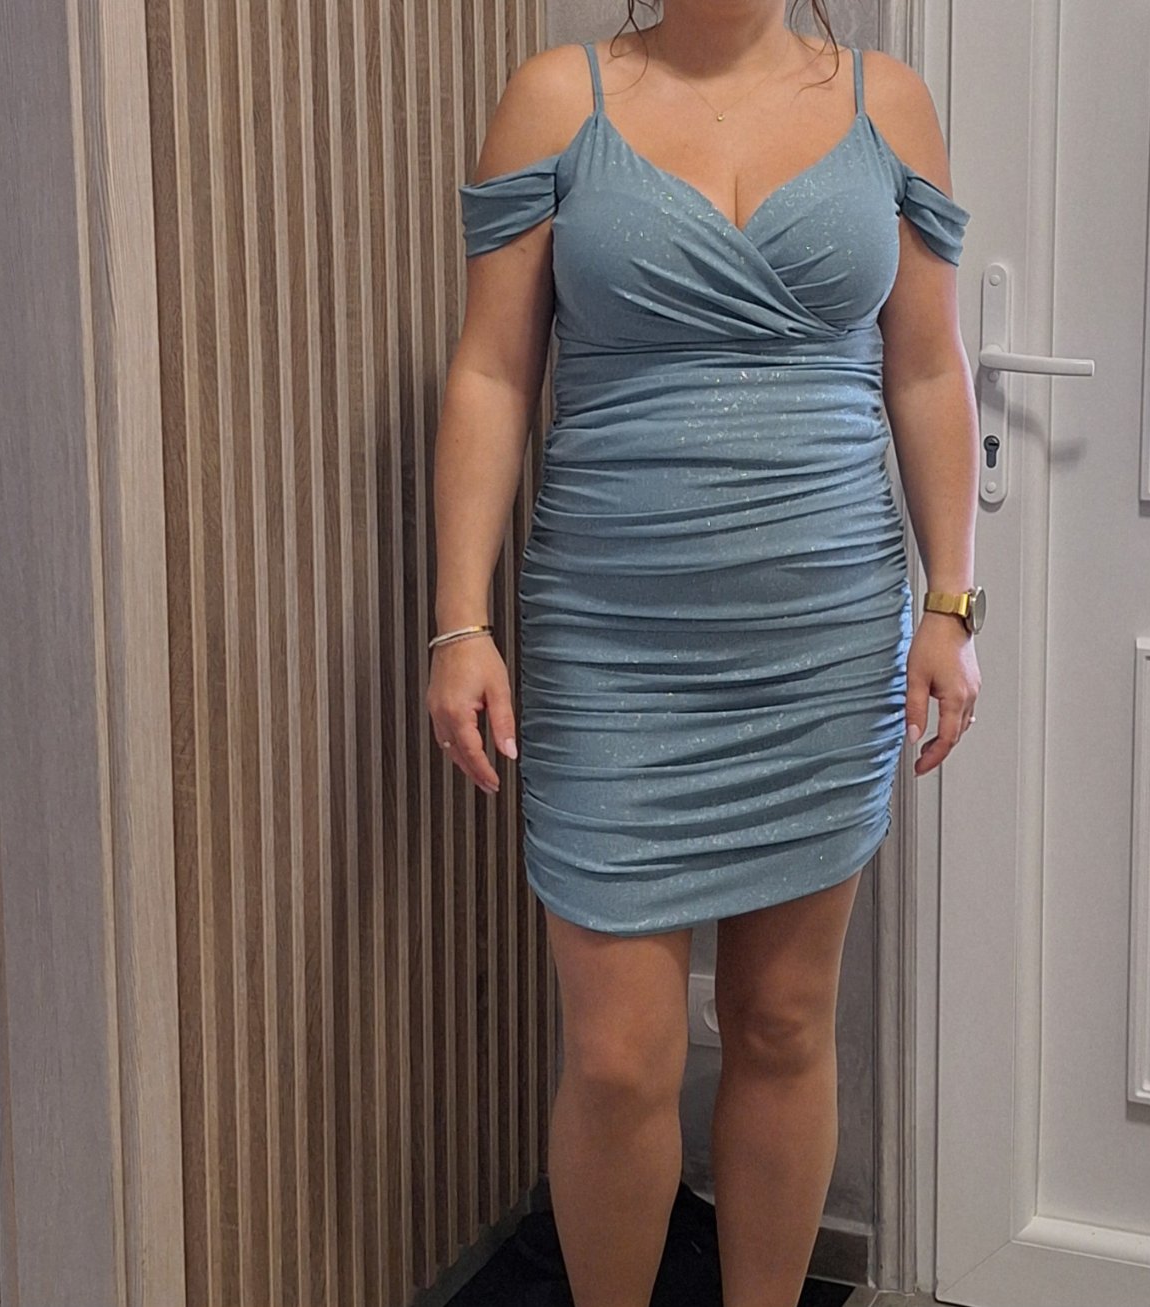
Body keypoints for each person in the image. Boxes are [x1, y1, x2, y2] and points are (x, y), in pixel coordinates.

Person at [426, 5, 982, 1303]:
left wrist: (952, 605)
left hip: (826, 644)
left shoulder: (888, 105)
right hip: (611, 644)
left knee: (781, 1025)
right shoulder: (557, 100)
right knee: (618, 1057)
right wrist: (460, 619)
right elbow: (494, 373)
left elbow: (924, 369)